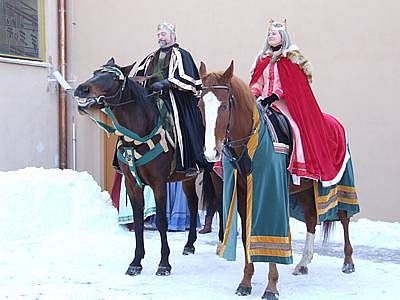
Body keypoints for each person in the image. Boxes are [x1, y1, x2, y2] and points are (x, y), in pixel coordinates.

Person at [249, 20, 348, 187]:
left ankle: (299, 167)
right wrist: (253, 95)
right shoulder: (263, 60)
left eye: (274, 33)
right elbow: (258, 82)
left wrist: (273, 97)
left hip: (282, 104)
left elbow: (290, 86)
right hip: (262, 103)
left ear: (283, 37)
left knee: (295, 128)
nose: (270, 36)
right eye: (269, 34)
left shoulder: (291, 60)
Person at [134, 22, 206, 175]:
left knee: (182, 124)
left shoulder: (181, 54)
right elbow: (140, 76)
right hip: (151, 98)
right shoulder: (151, 57)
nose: (161, 37)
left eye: (164, 34)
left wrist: (166, 83)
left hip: (173, 96)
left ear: (173, 36)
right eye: (159, 34)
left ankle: (190, 161)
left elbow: (188, 77)